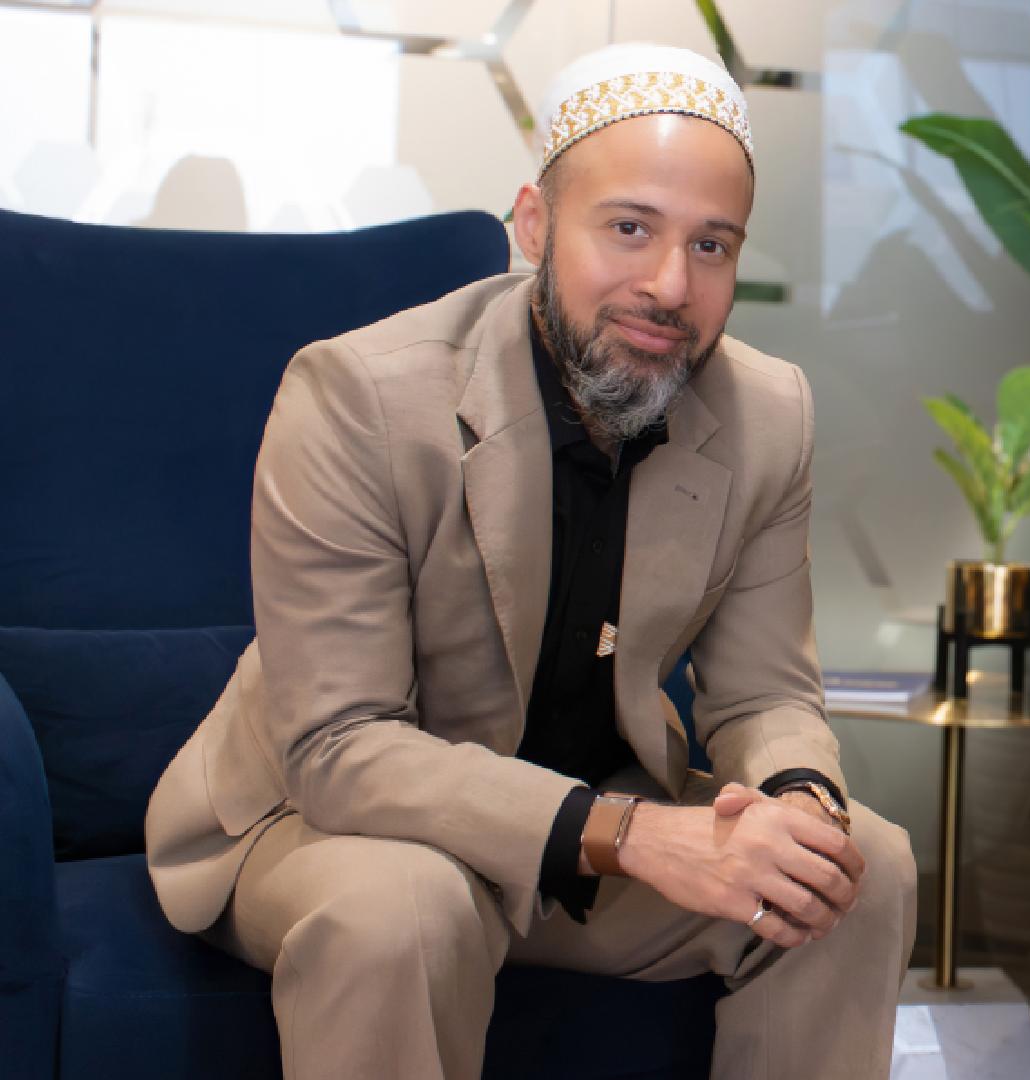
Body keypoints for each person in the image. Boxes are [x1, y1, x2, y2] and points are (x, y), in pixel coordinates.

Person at [144, 43, 914, 1080]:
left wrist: (797, 807)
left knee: (857, 872)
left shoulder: (766, 412)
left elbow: (765, 690)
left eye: (712, 246)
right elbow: (341, 747)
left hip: (586, 828)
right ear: (535, 224)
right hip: (331, 823)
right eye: (630, 228)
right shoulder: (356, 398)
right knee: (406, 908)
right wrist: (636, 836)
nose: (669, 286)